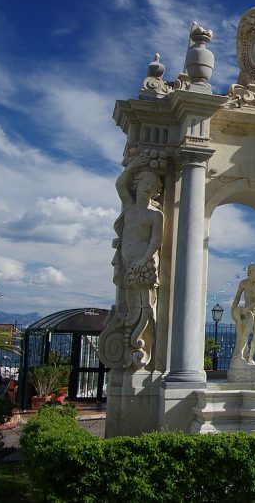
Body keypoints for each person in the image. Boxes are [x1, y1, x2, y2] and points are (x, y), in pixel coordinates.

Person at [113, 151, 165, 364]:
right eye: (144, 182)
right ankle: (134, 341)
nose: (147, 187)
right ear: (136, 183)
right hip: (127, 263)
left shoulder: (156, 214)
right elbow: (119, 185)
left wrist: (144, 259)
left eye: (152, 185)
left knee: (146, 304)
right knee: (130, 302)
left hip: (144, 264)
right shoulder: (129, 206)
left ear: (156, 191)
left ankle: (138, 342)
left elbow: (156, 241)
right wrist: (133, 165)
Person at [231, 263, 255, 362]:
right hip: (248, 312)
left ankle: (251, 358)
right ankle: (240, 355)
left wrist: (247, 308)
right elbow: (237, 297)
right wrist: (233, 309)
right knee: (245, 332)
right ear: (249, 273)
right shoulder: (243, 283)